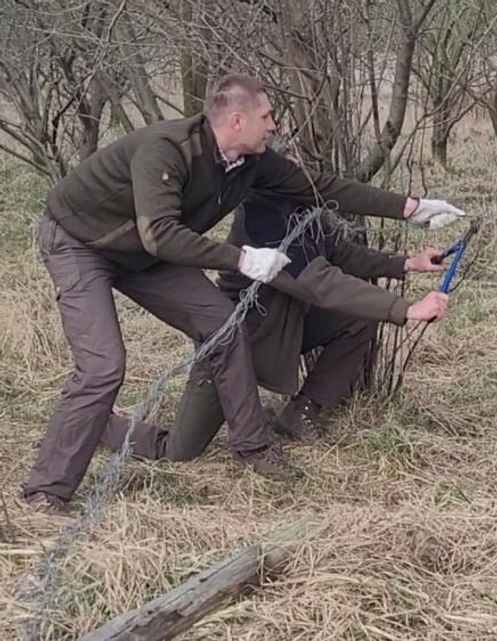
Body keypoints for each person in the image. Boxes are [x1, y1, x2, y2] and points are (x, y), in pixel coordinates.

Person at [22, 72, 464, 514]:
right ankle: (47, 490)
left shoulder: (250, 164)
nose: (273, 125)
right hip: (80, 244)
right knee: (103, 365)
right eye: (266, 116)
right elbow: (158, 233)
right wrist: (242, 259)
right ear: (237, 120)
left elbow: (322, 190)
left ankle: (253, 449)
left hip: (145, 255)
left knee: (223, 325)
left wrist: (413, 208)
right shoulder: (166, 151)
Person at [98, 188, 451, 461]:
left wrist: (408, 263)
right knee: (179, 450)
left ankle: (302, 412)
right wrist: (405, 309)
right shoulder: (260, 218)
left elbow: (341, 254)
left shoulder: (303, 209)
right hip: (235, 347)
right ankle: (100, 426)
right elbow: (320, 281)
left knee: (358, 319)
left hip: (287, 329)